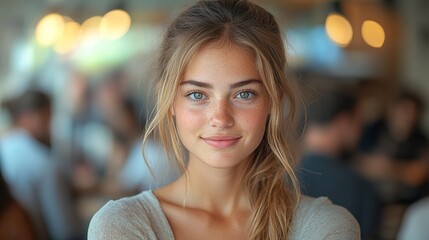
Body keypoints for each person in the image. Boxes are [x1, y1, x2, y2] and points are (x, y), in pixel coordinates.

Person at [88, 1, 360, 239]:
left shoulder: (324, 228)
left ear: (273, 100)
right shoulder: (122, 226)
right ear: (168, 100)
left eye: (244, 94)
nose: (220, 118)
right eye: (197, 94)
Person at [298, 87, 380, 239]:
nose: (360, 132)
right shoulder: (360, 188)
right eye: (359, 122)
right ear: (343, 122)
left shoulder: (275, 177)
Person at [0, 90, 82, 240]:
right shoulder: (44, 163)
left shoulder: (4, 148)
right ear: (28, 118)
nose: (50, 126)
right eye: (47, 118)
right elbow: (65, 230)